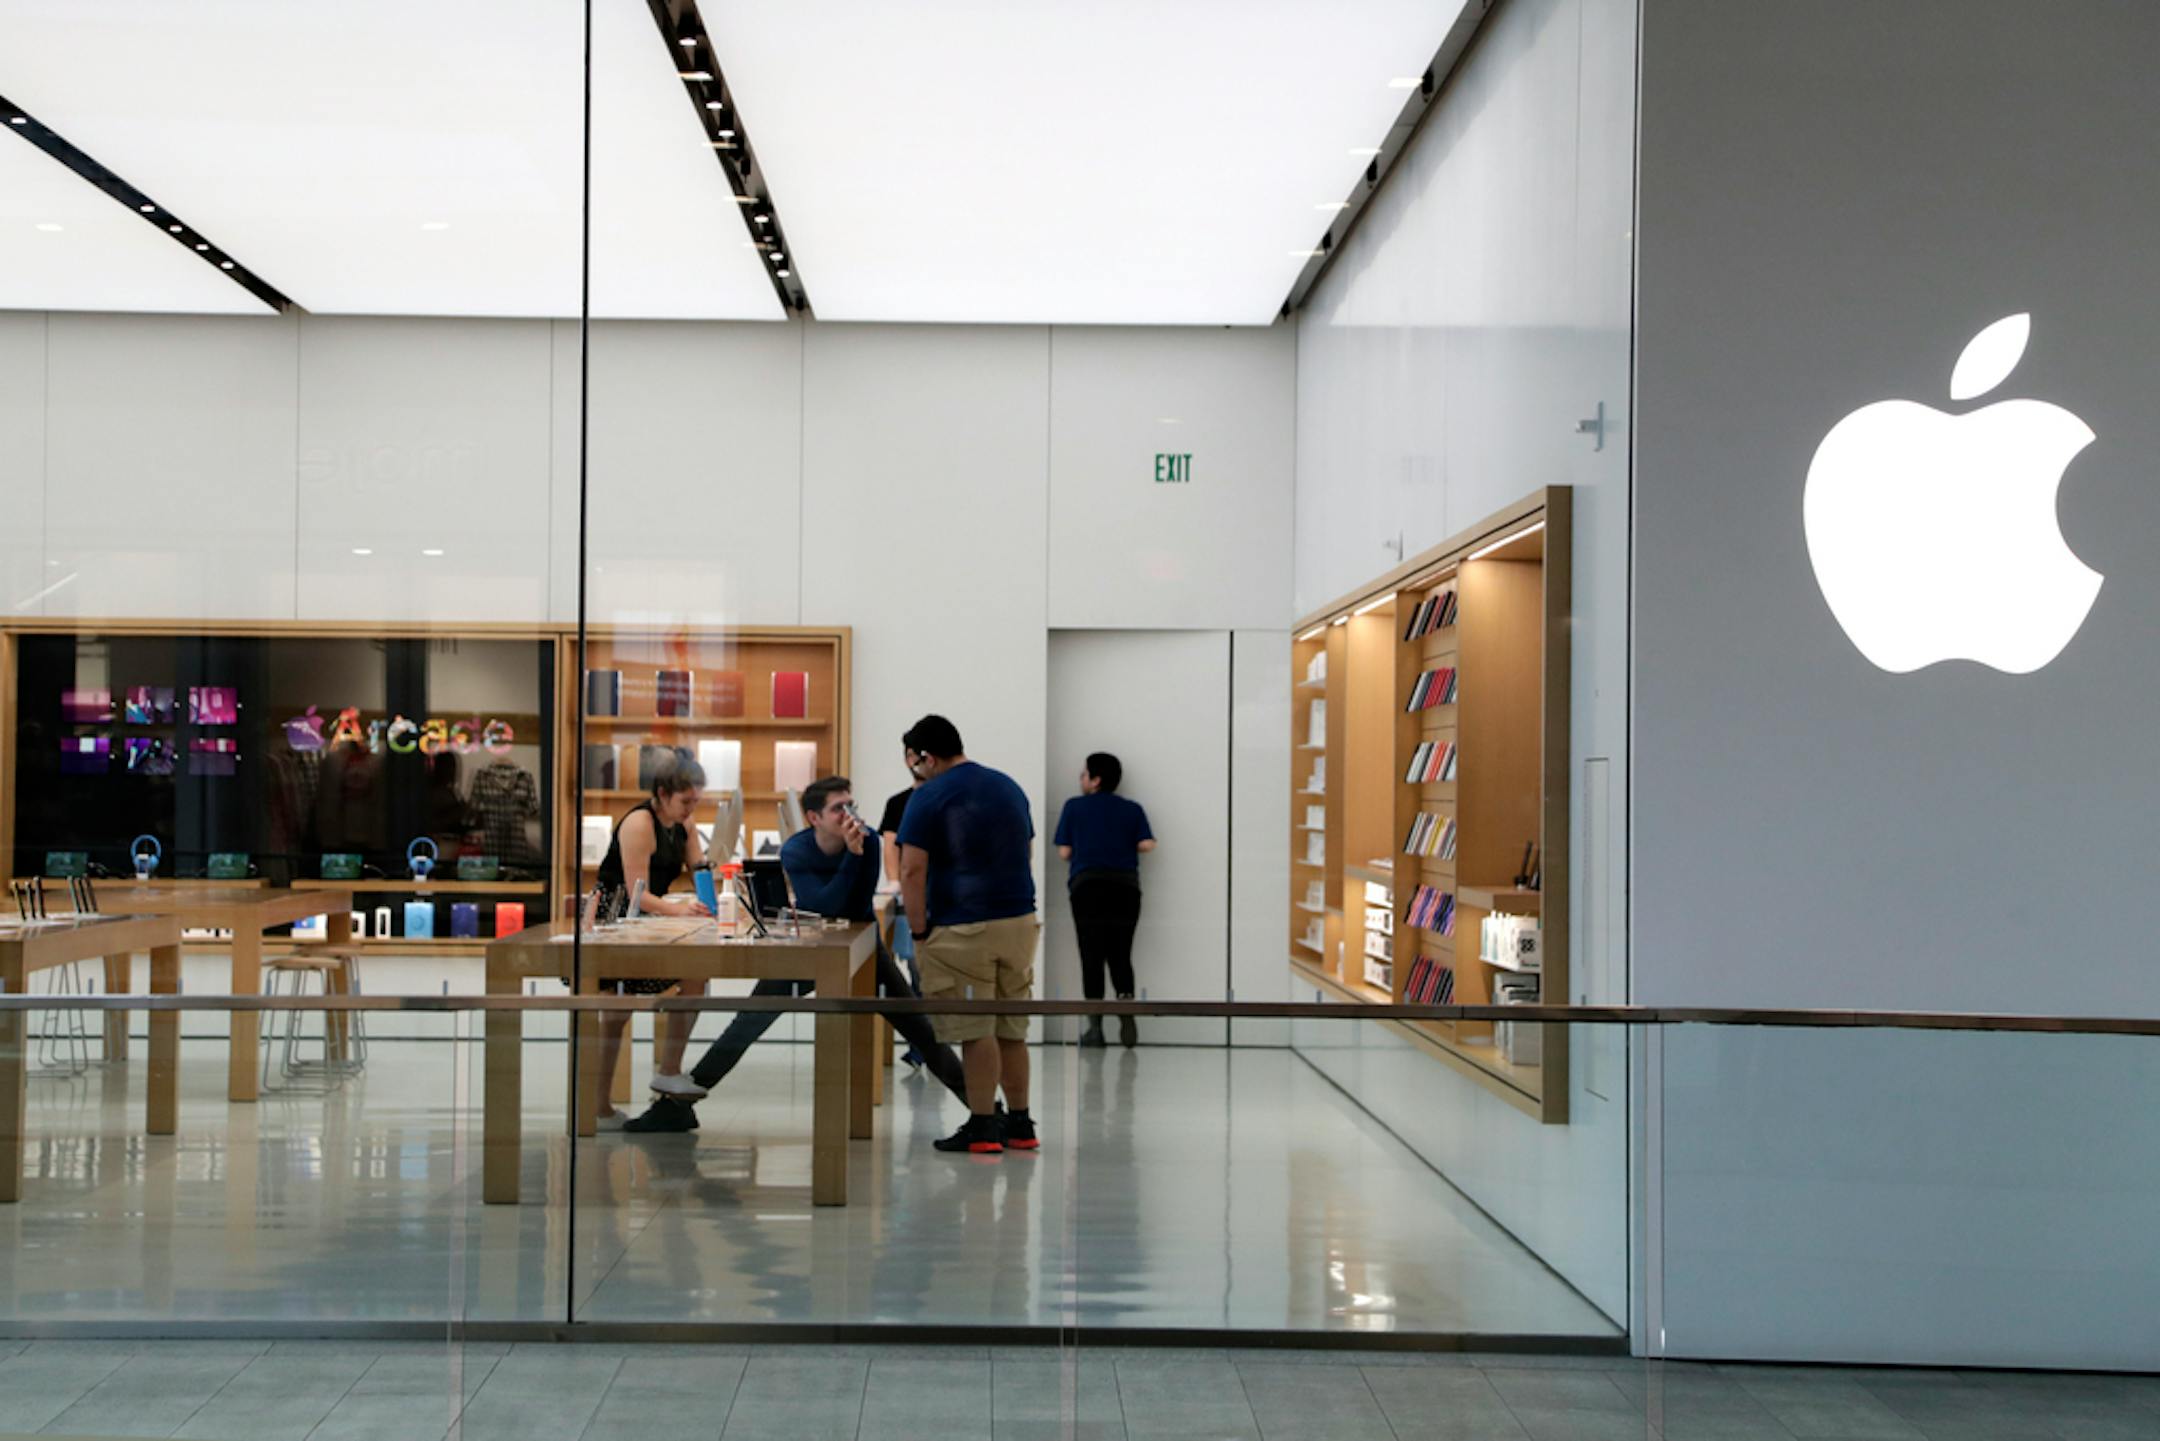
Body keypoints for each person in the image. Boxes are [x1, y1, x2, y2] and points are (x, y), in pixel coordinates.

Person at [629, 775, 969, 1131]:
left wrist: (856, 855)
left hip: (864, 948)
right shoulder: (796, 850)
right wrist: (852, 858)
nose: (848, 815)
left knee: (919, 1029)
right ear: (814, 818)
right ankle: (680, 1105)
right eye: (838, 808)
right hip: (814, 949)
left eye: (851, 805)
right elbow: (823, 905)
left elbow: (852, 906)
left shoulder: (866, 843)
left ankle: (984, 1113)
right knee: (750, 1019)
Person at [896, 715, 1041, 1156]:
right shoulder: (1007, 785)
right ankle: (1020, 1124)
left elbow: (911, 870)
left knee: (976, 1030)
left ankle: (982, 1128)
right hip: (1019, 922)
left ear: (926, 758)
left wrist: (919, 934)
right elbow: (1026, 850)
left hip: (963, 927)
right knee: (1012, 1026)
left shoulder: (927, 797)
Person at [590, 756, 710, 1130]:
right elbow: (634, 893)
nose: (692, 808)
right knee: (615, 1015)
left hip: (650, 919)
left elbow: (700, 870)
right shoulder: (640, 823)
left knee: (695, 976)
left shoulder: (683, 825)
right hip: (614, 919)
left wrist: (713, 900)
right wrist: (682, 912)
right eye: (685, 801)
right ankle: (598, 1108)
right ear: (662, 795)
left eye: (695, 801)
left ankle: (669, 1069)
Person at [1053, 752, 1156, 1048]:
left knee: (1091, 954)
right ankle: (1125, 1010)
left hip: (1087, 888)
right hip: (1126, 888)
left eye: (1084, 774)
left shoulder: (1074, 807)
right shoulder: (1132, 809)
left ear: (1095, 780)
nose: (1080, 779)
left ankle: (1095, 1027)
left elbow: (1064, 852)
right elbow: (1147, 844)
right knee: (1121, 953)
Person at [878, 770, 927, 1069]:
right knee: (914, 968)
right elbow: (890, 846)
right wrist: (896, 882)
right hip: (911, 897)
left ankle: (926, 1044)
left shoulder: (945, 798)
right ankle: (921, 1044)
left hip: (941, 896)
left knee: (925, 974)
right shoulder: (899, 802)